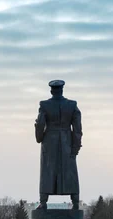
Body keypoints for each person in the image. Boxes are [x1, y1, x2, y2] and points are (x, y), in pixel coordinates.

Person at [34, 80, 83, 210]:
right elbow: (77, 129)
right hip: (67, 141)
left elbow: (40, 125)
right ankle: (75, 202)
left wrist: (39, 137)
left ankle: (43, 202)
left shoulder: (44, 105)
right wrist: (76, 147)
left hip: (49, 142)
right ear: (62, 90)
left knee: (47, 171)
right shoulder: (72, 105)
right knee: (70, 171)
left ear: (51, 91)